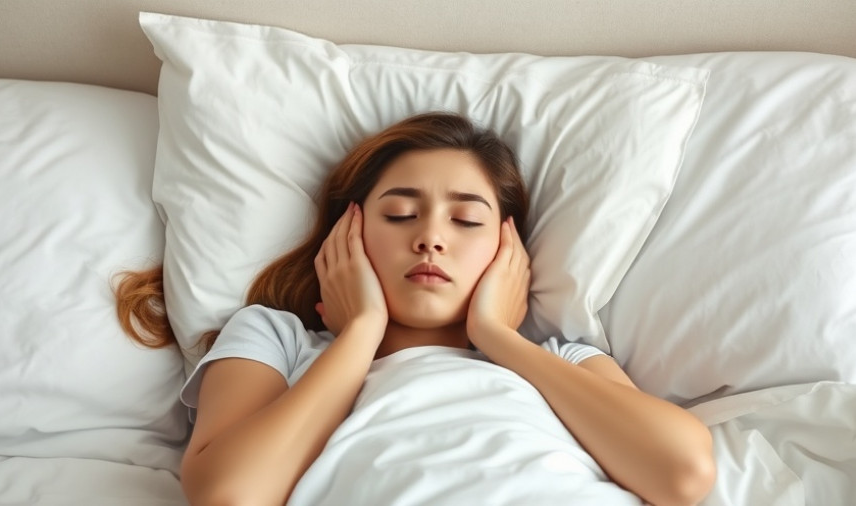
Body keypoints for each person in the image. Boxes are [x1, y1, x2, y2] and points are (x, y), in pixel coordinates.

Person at [115, 112, 716, 506]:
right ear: (345, 234)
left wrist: (498, 336)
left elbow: (684, 473)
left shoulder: (558, 359)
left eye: (466, 219)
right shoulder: (278, 340)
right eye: (400, 214)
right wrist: (359, 335)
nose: (431, 237)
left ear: (507, 249)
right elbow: (229, 495)